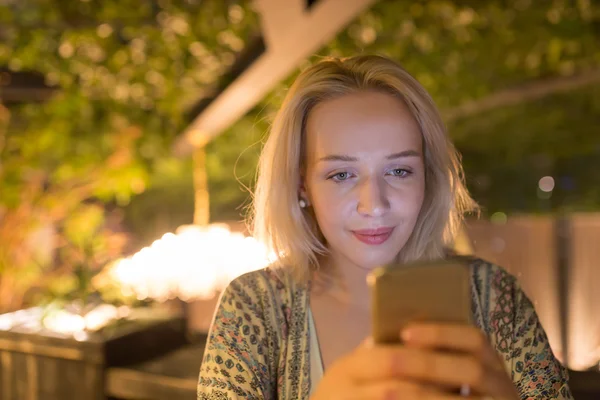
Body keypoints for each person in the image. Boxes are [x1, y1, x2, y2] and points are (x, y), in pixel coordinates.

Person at [197, 55, 572, 400]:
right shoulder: (253, 307)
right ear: (302, 186)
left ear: (428, 177)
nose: (374, 203)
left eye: (399, 170)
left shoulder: (495, 298)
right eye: (341, 174)